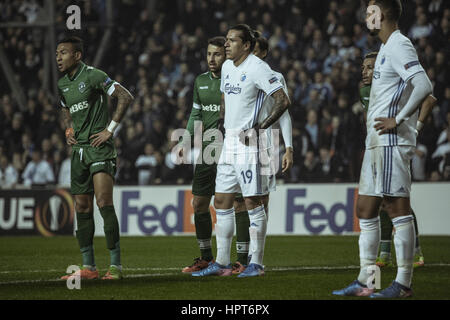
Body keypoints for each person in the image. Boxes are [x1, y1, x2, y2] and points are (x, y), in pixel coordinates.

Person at [333, 0, 433, 298]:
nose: (366, 16)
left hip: (391, 142)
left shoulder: (399, 44)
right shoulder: (387, 48)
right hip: (376, 143)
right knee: (365, 209)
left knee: (397, 209)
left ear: (383, 14)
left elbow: (424, 85)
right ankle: (368, 281)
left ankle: (403, 284)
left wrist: (400, 120)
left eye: (370, 11)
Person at [192, 24, 290, 278]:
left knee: (252, 202)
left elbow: (282, 100)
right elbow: (227, 100)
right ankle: (223, 262)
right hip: (229, 144)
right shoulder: (226, 67)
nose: (226, 44)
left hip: (250, 146)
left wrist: (260, 128)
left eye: (232, 40)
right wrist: (225, 126)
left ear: (246, 45)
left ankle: (256, 263)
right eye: (226, 40)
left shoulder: (258, 68)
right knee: (222, 201)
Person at [56, 36, 134, 280]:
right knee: (81, 206)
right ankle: (89, 267)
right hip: (78, 151)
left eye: (63, 53)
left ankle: (115, 267)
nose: (58, 57)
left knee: (103, 202)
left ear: (77, 55)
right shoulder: (62, 85)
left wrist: (110, 130)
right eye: (57, 53)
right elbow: (65, 110)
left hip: (99, 149)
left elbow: (125, 96)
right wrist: (68, 129)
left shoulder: (94, 75)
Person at [180, 36, 251, 275]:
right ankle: (206, 258)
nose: (212, 59)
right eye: (209, 54)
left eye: (217, 54)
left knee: (239, 203)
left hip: (232, 147)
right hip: (208, 150)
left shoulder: (235, 77)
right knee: (199, 203)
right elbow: (195, 114)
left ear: (227, 54)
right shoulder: (200, 81)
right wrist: (186, 138)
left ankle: (241, 260)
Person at [359, 52, 437, 269]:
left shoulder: (396, 85)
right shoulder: (364, 90)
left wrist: (416, 129)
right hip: (376, 148)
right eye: (363, 67)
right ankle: (384, 254)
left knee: (395, 200)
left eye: (370, 67)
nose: (365, 72)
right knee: (381, 201)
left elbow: (429, 99)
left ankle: (414, 252)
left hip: (396, 146)